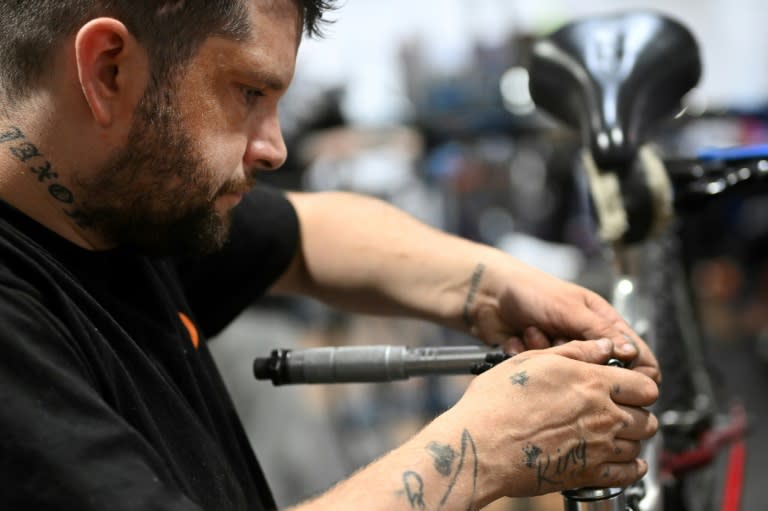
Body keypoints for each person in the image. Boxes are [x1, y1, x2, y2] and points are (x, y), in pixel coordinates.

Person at [0, 1, 660, 510]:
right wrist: (488, 445)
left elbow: (310, 233)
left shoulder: (117, 203)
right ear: (108, 69)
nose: (275, 148)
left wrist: (493, 285)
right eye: (249, 93)